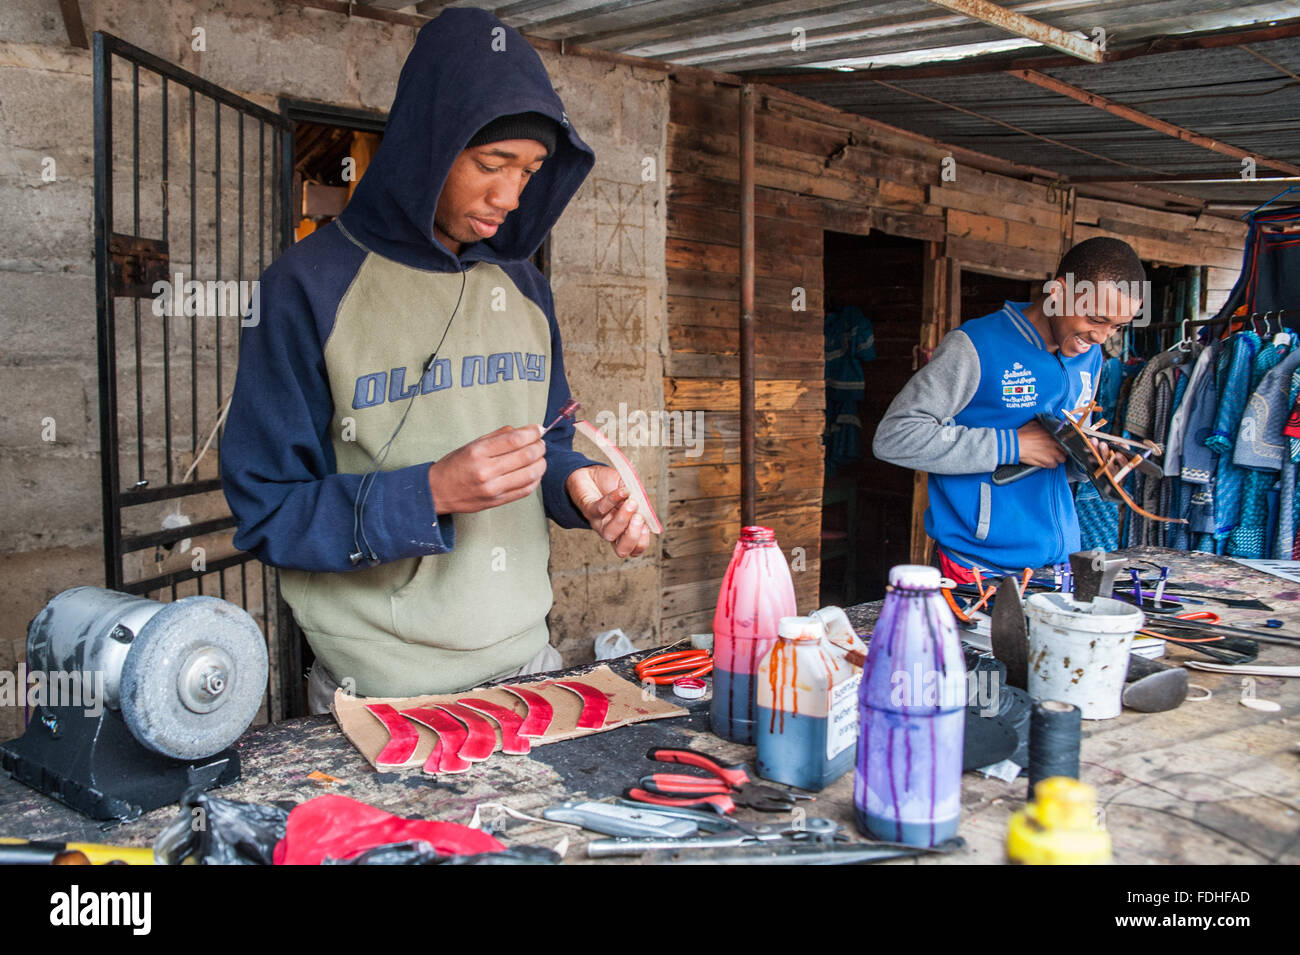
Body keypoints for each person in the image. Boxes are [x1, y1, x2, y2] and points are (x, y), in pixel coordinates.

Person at [221, 8, 648, 712]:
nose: (509, 197)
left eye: (530, 171)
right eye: (491, 164)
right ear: (428, 143)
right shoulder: (307, 287)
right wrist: (429, 494)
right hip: (380, 694)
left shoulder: (524, 286)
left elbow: (550, 442)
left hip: (528, 665)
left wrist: (579, 483)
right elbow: (268, 509)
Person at [873, 237, 1146, 581]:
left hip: (1058, 565)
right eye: (1096, 318)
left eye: (1117, 326)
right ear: (1058, 292)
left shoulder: (1089, 356)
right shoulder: (976, 346)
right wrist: (1013, 445)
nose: (1103, 337)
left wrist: (1092, 463)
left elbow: (1061, 455)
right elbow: (894, 436)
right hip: (978, 566)